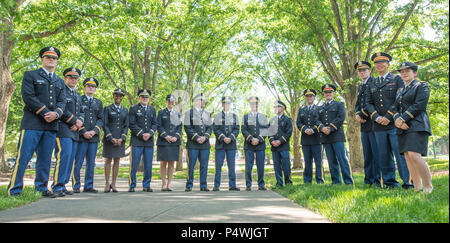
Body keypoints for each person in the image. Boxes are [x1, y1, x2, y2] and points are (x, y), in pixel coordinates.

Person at [7, 46, 66, 197]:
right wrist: (46, 112)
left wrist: (56, 114)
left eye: (54, 58)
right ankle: (14, 190)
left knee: (45, 159)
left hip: (51, 125)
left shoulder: (60, 81)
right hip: (32, 123)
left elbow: (62, 102)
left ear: (57, 62)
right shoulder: (31, 75)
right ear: (42, 59)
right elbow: (28, 97)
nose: (51, 60)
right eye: (48, 57)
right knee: (23, 157)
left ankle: (41, 188)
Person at [365, 52, 413, 189]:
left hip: (394, 124)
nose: (379, 65)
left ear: (388, 64)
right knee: (383, 155)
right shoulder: (372, 82)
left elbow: (399, 99)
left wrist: (388, 116)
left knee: (400, 154)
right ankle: (389, 183)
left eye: (382, 62)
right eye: (376, 63)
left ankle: (408, 182)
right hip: (378, 125)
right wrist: (376, 117)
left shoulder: (397, 79)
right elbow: (368, 103)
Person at [393, 62, 433, 193]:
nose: (403, 73)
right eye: (402, 71)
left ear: (415, 73)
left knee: (414, 155)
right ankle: (417, 188)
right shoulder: (400, 90)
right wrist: (397, 119)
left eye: (407, 71)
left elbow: (419, 105)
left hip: (417, 124)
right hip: (402, 127)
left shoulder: (421, 86)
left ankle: (428, 186)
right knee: (407, 156)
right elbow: (394, 108)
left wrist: (402, 118)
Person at [51, 67, 84, 197]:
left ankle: (63, 184)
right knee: (64, 157)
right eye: (71, 77)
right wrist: (74, 121)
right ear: (65, 78)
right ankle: (57, 186)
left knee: (70, 159)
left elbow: (82, 111)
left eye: (76, 78)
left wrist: (79, 123)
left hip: (75, 131)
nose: (73, 80)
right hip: (63, 129)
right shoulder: (61, 91)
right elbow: (60, 108)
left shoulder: (77, 95)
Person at [72, 77, 103, 193]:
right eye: (89, 86)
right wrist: (84, 131)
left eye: (93, 86)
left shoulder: (98, 103)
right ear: (84, 87)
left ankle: (89, 185)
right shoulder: (79, 99)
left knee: (91, 163)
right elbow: (77, 116)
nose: (91, 88)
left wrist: (94, 131)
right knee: (78, 161)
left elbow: (100, 119)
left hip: (93, 137)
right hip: (81, 136)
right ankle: (76, 185)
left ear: (95, 89)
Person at [318, 84, 354, 185]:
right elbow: (317, 120)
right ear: (323, 95)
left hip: (337, 136)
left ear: (333, 93)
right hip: (326, 137)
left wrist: (331, 128)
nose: (328, 94)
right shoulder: (320, 108)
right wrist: (322, 128)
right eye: (326, 92)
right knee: (331, 160)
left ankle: (348, 182)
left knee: (343, 159)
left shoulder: (339, 104)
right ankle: (336, 182)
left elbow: (341, 117)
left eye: (330, 92)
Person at [354, 61, 381, 188]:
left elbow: (376, 103)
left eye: (364, 70)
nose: (362, 72)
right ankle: (368, 180)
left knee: (376, 153)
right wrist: (357, 114)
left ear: (370, 71)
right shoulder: (361, 86)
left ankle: (377, 180)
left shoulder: (375, 83)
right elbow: (358, 104)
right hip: (364, 125)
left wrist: (363, 115)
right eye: (360, 71)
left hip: (374, 122)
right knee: (367, 154)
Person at [128, 89, 158, 192]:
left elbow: (155, 124)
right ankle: (132, 185)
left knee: (148, 165)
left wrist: (149, 133)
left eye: (147, 97)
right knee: (134, 164)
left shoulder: (152, 110)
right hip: (137, 141)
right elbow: (131, 124)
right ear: (139, 98)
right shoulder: (133, 109)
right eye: (143, 97)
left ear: (149, 98)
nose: (145, 99)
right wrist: (141, 134)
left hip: (149, 141)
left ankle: (146, 185)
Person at [184, 93, 213, 192]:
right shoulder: (189, 113)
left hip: (205, 144)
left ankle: (203, 185)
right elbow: (187, 127)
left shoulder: (207, 114)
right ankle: (189, 185)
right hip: (193, 144)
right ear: (196, 101)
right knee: (190, 165)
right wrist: (196, 137)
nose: (204, 101)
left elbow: (210, 128)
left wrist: (205, 137)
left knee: (204, 165)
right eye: (202, 100)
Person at [102, 88, 129, 193]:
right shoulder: (107, 108)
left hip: (120, 140)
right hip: (109, 139)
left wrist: (122, 138)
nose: (118, 97)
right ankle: (106, 183)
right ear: (113, 96)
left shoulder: (125, 110)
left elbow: (126, 125)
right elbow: (105, 124)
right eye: (116, 95)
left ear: (122, 97)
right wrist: (110, 137)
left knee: (117, 160)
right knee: (108, 160)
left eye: (120, 95)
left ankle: (114, 183)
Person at [212, 96, 240, 191]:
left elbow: (237, 129)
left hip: (231, 144)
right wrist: (223, 138)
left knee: (231, 166)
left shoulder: (234, 116)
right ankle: (216, 185)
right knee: (218, 165)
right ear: (222, 104)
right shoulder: (217, 116)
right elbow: (215, 129)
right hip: (220, 144)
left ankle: (232, 185)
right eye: (225, 103)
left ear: (230, 104)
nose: (227, 105)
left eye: (228, 103)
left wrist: (231, 138)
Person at [296, 89, 324, 184]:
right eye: (307, 96)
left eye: (311, 96)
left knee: (318, 162)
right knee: (307, 162)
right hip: (305, 140)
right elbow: (298, 123)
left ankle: (320, 180)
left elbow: (321, 122)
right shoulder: (301, 110)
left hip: (317, 139)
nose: (309, 98)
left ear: (314, 97)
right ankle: (307, 181)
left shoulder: (319, 109)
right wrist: (304, 129)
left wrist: (313, 129)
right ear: (305, 98)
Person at [241, 96, 269, 191]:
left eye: (256, 103)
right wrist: (251, 139)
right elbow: (243, 129)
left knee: (260, 166)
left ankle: (261, 184)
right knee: (248, 166)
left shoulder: (263, 116)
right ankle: (248, 184)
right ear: (250, 105)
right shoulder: (245, 117)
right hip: (249, 145)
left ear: (258, 104)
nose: (254, 105)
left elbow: (266, 129)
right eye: (252, 103)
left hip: (260, 145)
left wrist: (259, 139)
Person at [156, 94, 182, 192]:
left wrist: (176, 136)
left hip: (174, 141)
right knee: (163, 163)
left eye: (173, 101)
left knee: (171, 163)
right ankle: (163, 184)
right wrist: (166, 136)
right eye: (169, 101)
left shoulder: (178, 113)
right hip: (163, 141)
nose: (171, 102)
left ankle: (169, 184)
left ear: (174, 102)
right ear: (166, 101)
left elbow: (179, 127)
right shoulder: (161, 112)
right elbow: (159, 126)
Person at [268, 101, 293, 189]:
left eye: (278, 107)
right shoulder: (272, 120)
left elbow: (288, 133)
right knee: (277, 165)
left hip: (284, 146)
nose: (276, 108)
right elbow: (269, 133)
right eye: (275, 107)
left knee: (286, 165)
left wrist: (279, 141)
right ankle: (279, 183)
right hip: (274, 147)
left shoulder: (287, 119)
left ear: (283, 108)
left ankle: (288, 182)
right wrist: (272, 141)